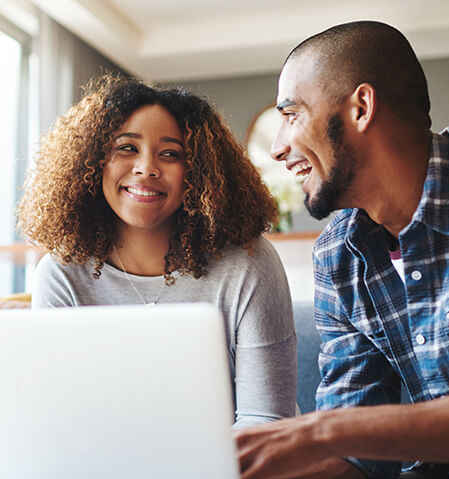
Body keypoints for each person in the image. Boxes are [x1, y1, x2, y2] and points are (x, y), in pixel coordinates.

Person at [235, 20, 449, 479]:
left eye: (291, 115)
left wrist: (316, 433)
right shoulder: (338, 255)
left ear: (361, 108)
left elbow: (340, 434)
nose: (277, 147)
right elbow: (360, 460)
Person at [17, 73, 297, 429]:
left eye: (170, 154)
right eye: (127, 148)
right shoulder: (61, 275)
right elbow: (61, 418)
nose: (146, 168)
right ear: (94, 161)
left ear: (198, 171)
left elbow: (266, 419)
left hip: (241, 469)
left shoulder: (248, 262)